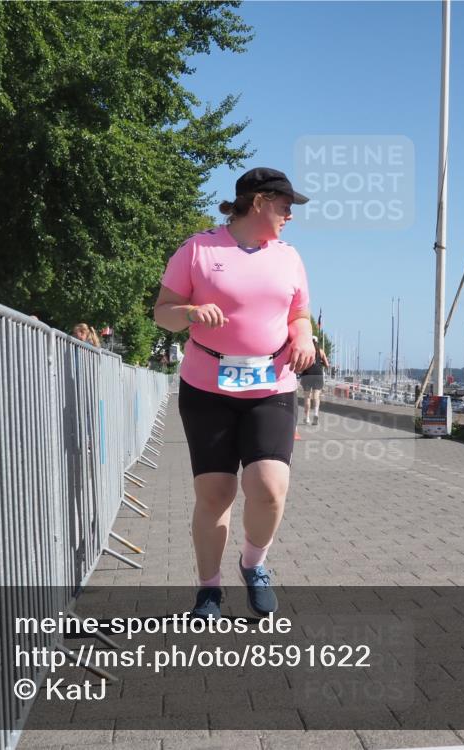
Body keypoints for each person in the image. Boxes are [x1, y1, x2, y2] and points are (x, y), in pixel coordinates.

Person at [153, 167, 313, 619]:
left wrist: (304, 336)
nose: (290, 215)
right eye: (285, 205)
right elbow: (161, 313)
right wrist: (189, 312)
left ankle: (253, 564)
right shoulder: (198, 248)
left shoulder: (289, 256)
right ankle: (208, 591)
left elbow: (299, 313)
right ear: (259, 201)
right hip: (207, 386)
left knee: (268, 487)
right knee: (216, 493)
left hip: (271, 384)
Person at [300, 335, 330, 425]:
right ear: (317, 342)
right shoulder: (321, 352)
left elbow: (301, 363)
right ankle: (316, 413)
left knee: (307, 397)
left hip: (307, 374)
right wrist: (322, 363)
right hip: (318, 374)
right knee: (316, 396)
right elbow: (327, 364)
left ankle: (307, 417)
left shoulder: (306, 351)